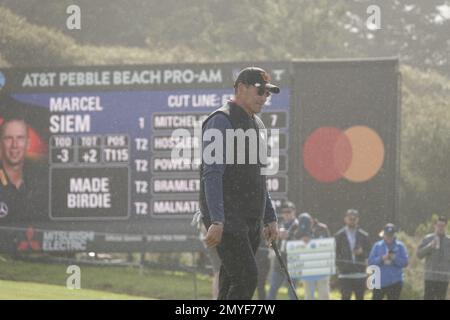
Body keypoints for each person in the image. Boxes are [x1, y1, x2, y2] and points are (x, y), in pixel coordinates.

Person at [199, 67, 280, 300]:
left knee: (230, 281)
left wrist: (270, 216)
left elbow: (259, 177)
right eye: (260, 92)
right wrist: (216, 219)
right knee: (247, 278)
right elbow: (212, 174)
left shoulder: (258, 125)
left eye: (268, 94)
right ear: (241, 88)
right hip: (227, 216)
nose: (264, 98)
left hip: (251, 217)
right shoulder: (220, 120)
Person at [0, 115, 32, 223]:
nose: (14, 145)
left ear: (28, 143)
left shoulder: (37, 185)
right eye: (8, 138)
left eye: (20, 138)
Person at [335, 209, 370, 300]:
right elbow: (335, 253)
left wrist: (362, 252)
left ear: (357, 219)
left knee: (360, 297)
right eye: (350, 218)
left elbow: (369, 253)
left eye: (354, 219)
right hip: (345, 274)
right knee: (345, 297)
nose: (352, 220)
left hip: (360, 273)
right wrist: (341, 267)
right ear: (345, 219)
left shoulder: (364, 235)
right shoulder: (339, 235)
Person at [267, 200, 299, 300]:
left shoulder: (298, 225)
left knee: (292, 292)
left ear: (294, 212)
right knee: (272, 290)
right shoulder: (280, 224)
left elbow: (302, 242)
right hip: (280, 263)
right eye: (284, 212)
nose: (286, 214)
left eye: (289, 211)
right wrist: (275, 238)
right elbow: (272, 244)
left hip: (293, 263)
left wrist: (289, 236)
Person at [295, 212, 331, 300]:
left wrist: (312, 241)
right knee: (309, 295)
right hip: (307, 268)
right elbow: (294, 247)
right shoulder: (298, 230)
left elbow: (329, 245)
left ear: (312, 221)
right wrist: (301, 241)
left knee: (324, 294)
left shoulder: (322, 228)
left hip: (323, 267)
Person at [368, 223, 409, 300]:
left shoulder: (400, 246)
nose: (389, 237)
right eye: (387, 235)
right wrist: (381, 258)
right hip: (379, 282)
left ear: (394, 235)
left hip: (395, 282)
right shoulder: (377, 246)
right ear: (383, 234)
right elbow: (370, 262)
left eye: (391, 235)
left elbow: (405, 262)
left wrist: (395, 258)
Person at [417, 215, 450, 300]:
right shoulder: (428, 238)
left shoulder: (449, 241)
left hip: (444, 278)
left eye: (442, 226)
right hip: (430, 278)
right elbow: (419, 255)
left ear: (446, 226)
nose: (440, 228)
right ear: (435, 226)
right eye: (438, 225)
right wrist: (430, 246)